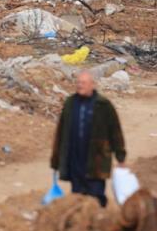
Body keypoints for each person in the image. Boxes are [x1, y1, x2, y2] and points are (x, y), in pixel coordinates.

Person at [50, 70, 126, 207]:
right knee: (77, 197)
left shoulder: (104, 105)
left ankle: (98, 221)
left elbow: (115, 131)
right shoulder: (70, 103)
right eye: (78, 82)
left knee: (96, 197)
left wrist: (121, 157)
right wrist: (55, 160)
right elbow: (60, 132)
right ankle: (80, 226)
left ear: (93, 85)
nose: (80, 86)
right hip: (75, 161)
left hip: (96, 160)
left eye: (83, 83)